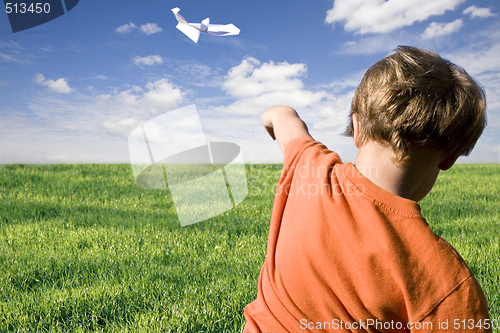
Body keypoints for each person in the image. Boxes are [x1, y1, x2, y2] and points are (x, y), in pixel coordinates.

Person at [243, 46, 491, 332]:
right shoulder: (446, 281)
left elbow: (279, 114)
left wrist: (275, 121)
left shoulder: (308, 167)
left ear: (357, 128)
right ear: (449, 158)